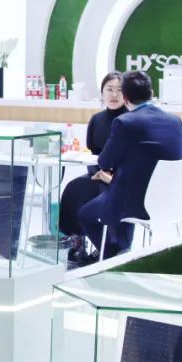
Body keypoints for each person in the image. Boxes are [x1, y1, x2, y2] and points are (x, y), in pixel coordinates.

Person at [75, 71, 182, 264]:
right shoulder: (175, 120)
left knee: (85, 213)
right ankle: (120, 251)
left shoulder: (125, 122)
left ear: (125, 99)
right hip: (172, 202)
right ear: (151, 93)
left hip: (134, 204)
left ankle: (111, 257)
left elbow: (104, 162)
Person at [58, 72, 127, 262]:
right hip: (97, 171)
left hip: (120, 176)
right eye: (109, 89)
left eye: (119, 90)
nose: (114, 95)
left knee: (96, 193)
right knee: (73, 188)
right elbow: (92, 150)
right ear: (102, 93)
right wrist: (96, 171)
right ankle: (76, 240)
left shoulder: (129, 120)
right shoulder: (96, 119)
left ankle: (105, 246)